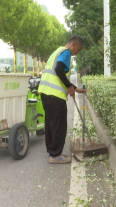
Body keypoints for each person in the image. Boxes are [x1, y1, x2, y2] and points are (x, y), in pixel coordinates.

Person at [38, 35, 86, 164]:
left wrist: (74, 88)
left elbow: (58, 75)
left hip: (45, 92)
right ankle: (55, 155)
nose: (76, 53)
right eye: (78, 50)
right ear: (74, 44)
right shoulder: (66, 52)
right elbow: (58, 69)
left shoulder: (57, 51)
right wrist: (69, 86)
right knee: (59, 125)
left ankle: (52, 151)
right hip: (55, 95)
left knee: (51, 123)